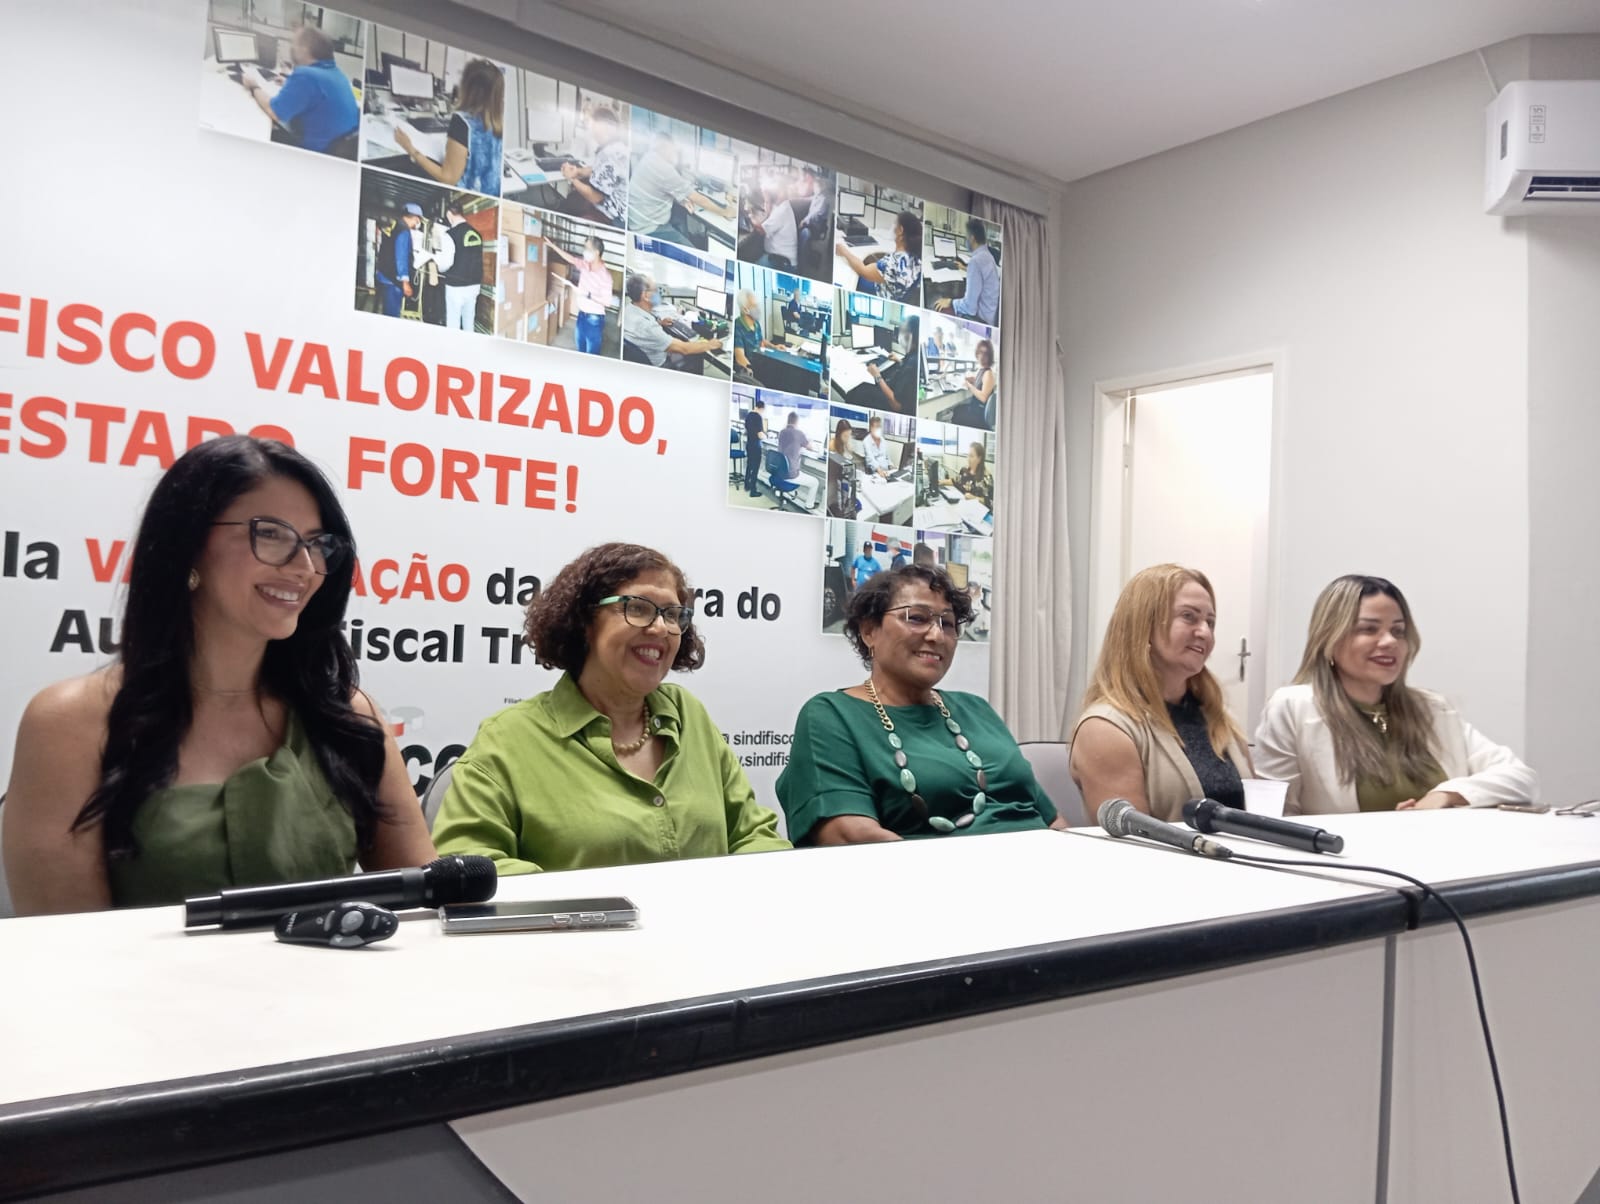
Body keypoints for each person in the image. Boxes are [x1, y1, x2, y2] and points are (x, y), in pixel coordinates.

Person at [1, 437, 437, 914]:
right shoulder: (69, 723)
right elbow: (66, 945)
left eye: (317, 544)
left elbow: (424, 906)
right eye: (271, 534)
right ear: (188, 546)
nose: (305, 566)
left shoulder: (349, 717)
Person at [432, 543, 790, 872]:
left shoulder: (688, 713)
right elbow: (469, 868)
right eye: (638, 608)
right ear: (584, 621)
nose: (660, 628)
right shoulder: (508, 739)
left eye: (672, 614)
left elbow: (753, 835)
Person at [777, 566, 1062, 843]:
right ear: (869, 631)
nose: (936, 635)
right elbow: (850, 835)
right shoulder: (831, 716)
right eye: (916, 618)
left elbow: (1052, 820)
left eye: (947, 623)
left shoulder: (977, 709)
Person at [1255, 575, 1538, 814]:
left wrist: (1445, 795)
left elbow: (1521, 777)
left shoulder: (1431, 708)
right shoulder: (1292, 707)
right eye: (1369, 629)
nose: (1390, 641)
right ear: (1329, 638)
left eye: (1398, 631)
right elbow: (1275, 816)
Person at [1070, 564, 1252, 824]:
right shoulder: (1105, 728)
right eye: (1189, 616)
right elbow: (1134, 840)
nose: (1205, 632)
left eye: (1210, 622)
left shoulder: (1220, 718)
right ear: (1143, 626)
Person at [239, 25, 359, 156]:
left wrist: (253, 86)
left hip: (313, 152)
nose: (292, 48)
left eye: (294, 44)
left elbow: (274, 111)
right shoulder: (337, 73)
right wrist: (290, 83)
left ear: (305, 49)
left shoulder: (306, 75)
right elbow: (317, 94)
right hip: (336, 149)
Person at [394, 58, 504, 196]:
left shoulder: (462, 122)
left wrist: (410, 149)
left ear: (468, 87)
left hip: (465, 194)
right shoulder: (497, 123)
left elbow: (448, 179)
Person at [629, 132, 736, 244]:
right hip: (649, 229)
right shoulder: (664, 169)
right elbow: (700, 200)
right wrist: (725, 212)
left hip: (637, 221)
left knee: (681, 217)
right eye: (673, 149)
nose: (674, 153)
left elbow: (661, 188)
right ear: (666, 148)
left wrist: (682, 200)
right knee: (691, 251)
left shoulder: (649, 157)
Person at [621, 274, 722, 370]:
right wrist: (710, 344)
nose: (658, 293)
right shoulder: (648, 327)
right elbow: (684, 349)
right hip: (660, 367)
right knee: (694, 356)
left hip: (643, 360)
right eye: (655, 290)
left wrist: (659, 323)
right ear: (645, 296)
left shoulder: (629, 309)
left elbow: (642, 331)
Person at [835, 210, 923, 305]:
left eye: (895, 224)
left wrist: (844, 252)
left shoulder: (893, 262)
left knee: (852, 274)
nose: (893, 227)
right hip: (896, 296)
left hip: (879, 294)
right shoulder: (916, 260)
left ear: (900, 230)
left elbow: (863, 270)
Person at [561, 106, 629, 227]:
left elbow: (595, 197)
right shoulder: (618, 146)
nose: (591, 131)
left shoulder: (609, 154)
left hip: (610, 216)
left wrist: (571, 178)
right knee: (571, 200)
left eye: (593, 125)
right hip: (616, 210)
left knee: (566, 207)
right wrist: (578, 171)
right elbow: (598, 170)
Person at [548, 235, 613, 355]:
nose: (584, 252)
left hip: (594, 319)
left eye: (587, 249)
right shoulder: (585, 265)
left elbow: (607, 302)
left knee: (591, 354)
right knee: (581, 350)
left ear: (596, 252)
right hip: (581, 315)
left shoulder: (605, 276)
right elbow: (571, 259)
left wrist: (587, 295)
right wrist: (553, 246)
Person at [849, 315, 921, 415]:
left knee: (856, 391)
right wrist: (899, 361)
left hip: (890, 405)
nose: (899, 335)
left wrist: (877, 376)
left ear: (910, 335)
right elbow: (907, 371)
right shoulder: (914, 355)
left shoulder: (913, 364)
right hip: (893, 387)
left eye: (902, 331)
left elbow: (896, 405)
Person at [934, 218, 1000, 326]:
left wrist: (950, 301)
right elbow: (982, 273)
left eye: (966, 237)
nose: (966, 240)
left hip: (980, 320)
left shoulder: (976, 261)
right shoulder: (988, 256)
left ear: (972, 239)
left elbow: (970, 308)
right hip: (990, 315)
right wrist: (965, 268)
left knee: (939, 306)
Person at [438, 201, 484, 332]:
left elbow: (446, 264)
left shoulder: (449, 235)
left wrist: (439, 266)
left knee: (453, 324)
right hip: (474, 286)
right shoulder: (476, 234)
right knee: (469, 321)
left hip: (456, 287)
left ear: (449, 214)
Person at [375, 203, 421, 318]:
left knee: (387, 310)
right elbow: (401, 257)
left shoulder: (395, 224)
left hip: (384, 274)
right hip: (393, 279)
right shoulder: (404, 231)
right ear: (416, 218)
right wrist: (405, 283)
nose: (417, 223)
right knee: (392, 314)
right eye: (418, 220)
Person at [732, 289, 778, 382]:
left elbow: (761, 340)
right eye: (754, 306)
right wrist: (750, 369)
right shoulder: (738, 326)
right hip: (751, 368)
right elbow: (739, 356)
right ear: (745, 309)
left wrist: (775, 346)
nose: (758, 309)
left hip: (761, 361)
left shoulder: (756, 323)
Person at [962, 339, 999, 428]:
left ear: (989, 356)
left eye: (985, 354)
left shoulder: (988, 373)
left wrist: (970, 386)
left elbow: (983, 398)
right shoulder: (982, 370)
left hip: (978, 415)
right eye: (980, 352)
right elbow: (981, 383)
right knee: (959, 409)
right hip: (975, 409)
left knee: (956, 413)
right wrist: (972, 380)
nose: (982, 356)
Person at [740, 397, 767, 497]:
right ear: (761, 409)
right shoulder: (758, 417)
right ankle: (753, 491)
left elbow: (748, 430)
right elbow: (760, 434)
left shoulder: (748, 415)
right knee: (755, 468)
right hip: (756, 446)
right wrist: (766, 436)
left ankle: (747, 485)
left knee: (749, 465)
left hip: (749, 444)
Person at [955, 441, 993, 508]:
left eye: (971, 456)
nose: (968, 459)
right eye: (968, 455)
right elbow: (956, 482)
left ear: (979, 459)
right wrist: (940, 482)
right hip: (963, 506)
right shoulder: (964, 470)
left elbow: (991, 502)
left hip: (978, 510)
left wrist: (974, 498)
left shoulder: (986, 478)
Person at [777, 411, 812, 478]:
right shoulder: (799, 433)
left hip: (779, 469)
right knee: (814, 481)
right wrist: (810, 441)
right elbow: (810, 447)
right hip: (791, 473)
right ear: (797, 422)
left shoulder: (782, 432)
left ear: (788, 420)